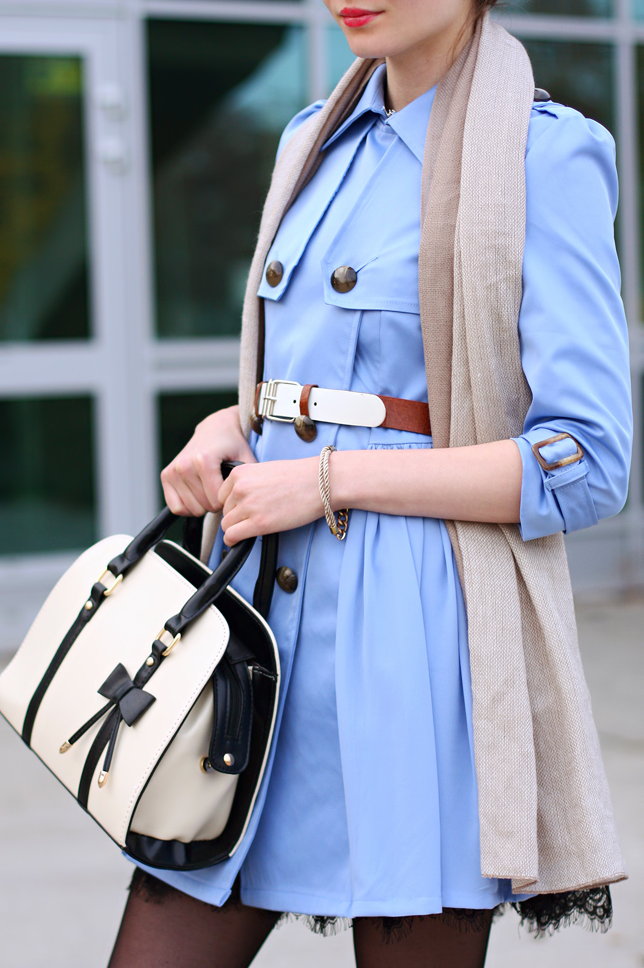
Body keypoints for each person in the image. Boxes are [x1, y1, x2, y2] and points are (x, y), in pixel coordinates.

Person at [108, 0, 632, 965]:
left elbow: (588, 460)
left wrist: (331, 480)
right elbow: (321, 384)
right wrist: (232, 425)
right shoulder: (310, 141)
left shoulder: (543, 154)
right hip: (256, 638)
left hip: (416, 649)